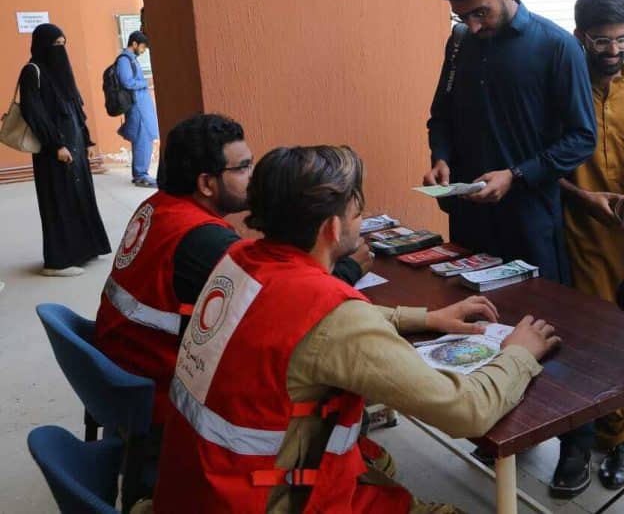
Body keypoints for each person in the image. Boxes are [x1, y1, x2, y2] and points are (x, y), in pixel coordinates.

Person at [150, 145, 560, 513]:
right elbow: (466, 411)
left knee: (377, 463)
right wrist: (520, 352)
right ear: (332, 228)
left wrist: (425, 318)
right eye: (357, 211)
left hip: (195, 488)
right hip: (267, 499)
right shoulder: (330, 314)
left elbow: (296, 324)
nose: (361, 220)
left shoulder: (237, 261)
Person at [95, 114, 371, 428]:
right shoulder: (205, 242)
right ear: (206, 184)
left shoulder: (159, 205)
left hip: (123, 366)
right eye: (243, 168)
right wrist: (349, 266)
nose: (254, 177)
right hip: (158, 390)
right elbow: (291, 316)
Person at [424, 0, 597, 284]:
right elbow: (441, 115)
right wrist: (440, 157)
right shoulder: (460, 42)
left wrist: (516, 175)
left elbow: (582, 137)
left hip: (530, 222)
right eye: (462, 16)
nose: (472, 26)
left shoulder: (557, 46)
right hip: (468, 220)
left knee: (538, 320)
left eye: (480, 13)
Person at [556, 0, 624, 494]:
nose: (613, 51)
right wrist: (580, 196)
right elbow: (545, 167)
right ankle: (588, 439)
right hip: (583, 234)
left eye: (621, 40)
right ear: (579, 37)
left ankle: (617, 440)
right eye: (601, 42)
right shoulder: (561, 88)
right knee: (594, 344)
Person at [18, 23, 111, 277]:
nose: (60, 50)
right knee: (58, 201)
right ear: (42, 46)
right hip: (54, 152)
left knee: (78, 196)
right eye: (55, 45)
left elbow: (74, 108)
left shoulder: (60, 74)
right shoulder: (32, 71)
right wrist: (55, 145)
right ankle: (57, 262)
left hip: (75, 148)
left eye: (63, 44)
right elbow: (33, 112)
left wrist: (87, 142)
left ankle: (84, 250)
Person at [115, 30, 160, 187]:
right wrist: (146, 83)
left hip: (141, 106)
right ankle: (141, 175)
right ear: (134, 44)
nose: (143, 50)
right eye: (142, 47)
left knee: (144, 138)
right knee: (143, 138)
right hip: (137, 107)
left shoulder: (131, 59)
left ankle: (141, 173)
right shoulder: (124, 60)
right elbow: (127, 82)